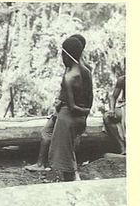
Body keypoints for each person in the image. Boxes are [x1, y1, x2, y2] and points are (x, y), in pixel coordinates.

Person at [25, 34, 93, 172]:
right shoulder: (81, 69)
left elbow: (77, 97)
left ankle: (65, 167)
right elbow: (88, 96)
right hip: (65, 108)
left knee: (64, 142)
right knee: (49, 133)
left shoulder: (75, 70)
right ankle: (45, 164)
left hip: (66, 110)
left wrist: (80, 111)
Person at [47, 36, 93, 181]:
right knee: (70, 153)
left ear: (66, 54)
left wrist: (79, 110)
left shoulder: (69, 77)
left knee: (64, 159)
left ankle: (72, 187)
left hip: (67, 118)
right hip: (80, 119)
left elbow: (72, 107)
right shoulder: (87, 71)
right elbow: (90, 98)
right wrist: (85, 114)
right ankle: (73, 181)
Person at [103, 64, 126, 155]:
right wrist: (111, 109)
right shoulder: (123, 80)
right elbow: (113, 97)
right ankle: (122, 146)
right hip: (125, 105)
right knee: (107, 117)